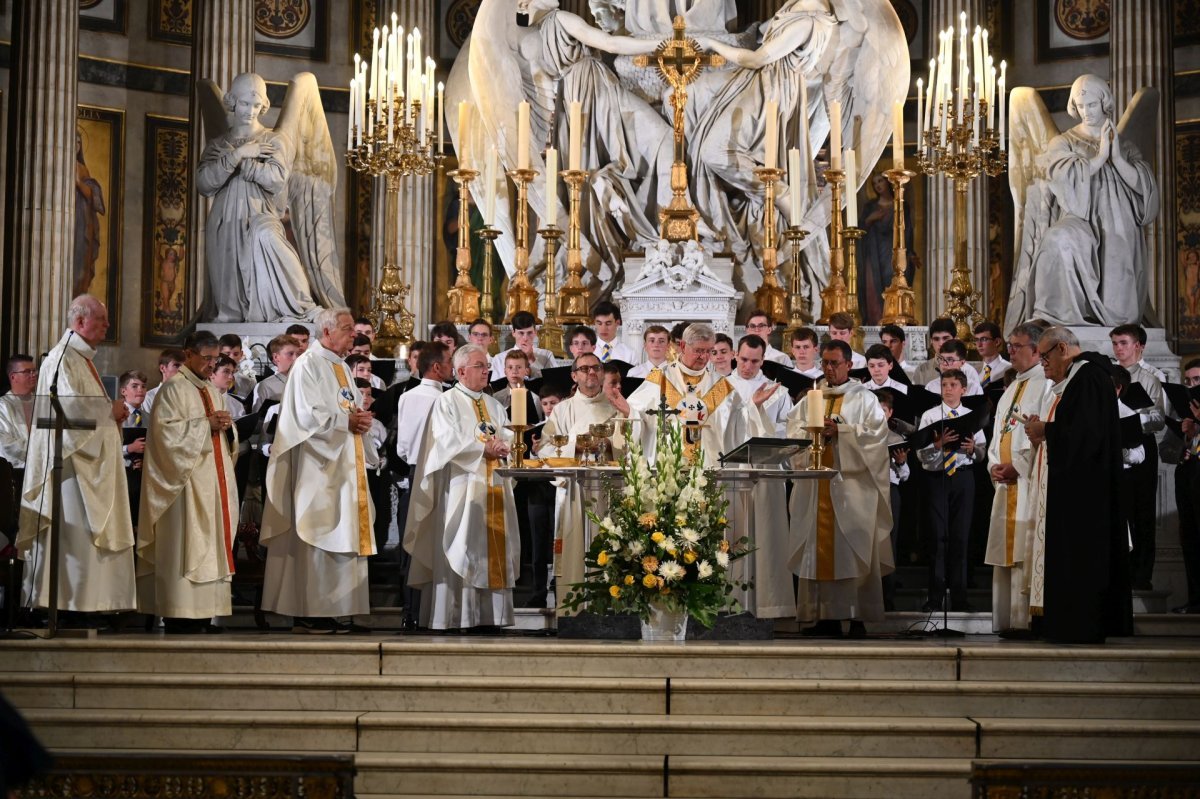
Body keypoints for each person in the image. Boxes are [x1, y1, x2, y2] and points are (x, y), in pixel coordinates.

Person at [1004, 74, 1158, 331]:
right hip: (1079, 219)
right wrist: (1100, 157)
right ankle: (1060, 320)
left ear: (1104, 102)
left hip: (1119, 223)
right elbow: (1062, 185)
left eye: (1092, 105)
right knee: (1056, 240)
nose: (1086, 111)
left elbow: (1146, 191)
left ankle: (1117, 326)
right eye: (1080, 105)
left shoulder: (1126, 145)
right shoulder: (1063, 143)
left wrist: (1117, 157)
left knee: (1119, 247)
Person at [260, 307, 379, 633]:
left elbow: (349, 408)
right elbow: (305, 417)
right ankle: (310, 609)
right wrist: (346, 422)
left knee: (344, 534)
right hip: (317, 470)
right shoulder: (308, 366)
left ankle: (341, 608)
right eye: (346, 328)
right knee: (319, 534)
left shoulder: (340, 366)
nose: (353, 334)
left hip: (343, 467)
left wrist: (361, 420)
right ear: (326, 332)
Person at [19, 295, 136, 616]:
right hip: (71, 469)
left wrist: (110, 415)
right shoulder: (61, 359)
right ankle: (67, 604)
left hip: (87, 465)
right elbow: (63, 412)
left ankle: (88, 603)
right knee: (74, 537)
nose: (108, 326)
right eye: (102, 319)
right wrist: (108, 410)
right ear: (80, 321)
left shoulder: (80, 358)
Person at [1025, 327, 1130, 643]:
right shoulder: (1083, 377)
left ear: (1061, 348)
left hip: (1085, 493)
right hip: (1083, 486)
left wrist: (1047, 430)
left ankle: (1080, 625)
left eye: (1044, 356)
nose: (1043, 363)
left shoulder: (1087, 378)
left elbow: (1086, 435)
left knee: (1081, 558)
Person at [404, 344, 518, 630]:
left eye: (487, 366)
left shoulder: (493, 404)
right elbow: (445, 441)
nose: (487, 371)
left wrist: (506, 445)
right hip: (462, 487)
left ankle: (491, 617)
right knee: (463, 545)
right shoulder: (446, 402)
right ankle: (458, 616)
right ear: (462, 370)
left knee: (491, 547)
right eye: (481, 366)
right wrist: (483, 450)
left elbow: (506, 434)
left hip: (494, 485)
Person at [786, 340, 892, 636]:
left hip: (852, 491)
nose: (829, 369)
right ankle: (823, 617)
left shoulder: (864, 399)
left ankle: (856, 617)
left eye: (835, 363)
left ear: (849, 364)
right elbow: (793, 433)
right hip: (816, 489)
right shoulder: (811, 398)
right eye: (825, 363)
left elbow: (876, 438)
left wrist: (841, 432)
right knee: (817, 550)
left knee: (852, 550)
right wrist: (812, 435)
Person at [136, 331, 237, 633]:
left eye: (214, 359)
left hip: (213, 480)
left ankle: (207, 613)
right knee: (188, 545)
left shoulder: (212, 390)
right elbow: (165, 436)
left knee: (211, 546)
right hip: (184, 485)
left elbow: (223, 435)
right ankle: (181, 613)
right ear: (188, 354)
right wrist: (206, 425)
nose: (210, 365)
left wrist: (227, 428)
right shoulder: (173, 390)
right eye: (205, 358)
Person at [613, 323, 776, 468]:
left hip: (708, 470)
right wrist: (629, 411)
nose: (704, 357)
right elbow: (639, 414)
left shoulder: (720, 385)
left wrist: (754, 406)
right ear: (683, 346)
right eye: (698, 350)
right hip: (668, 469)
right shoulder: (661, 378)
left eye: (708, 351)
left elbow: (738, 425)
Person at [537, 353, 620, 610]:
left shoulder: (617, 406)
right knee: (575, 549)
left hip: (610, 489)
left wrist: (608, 445)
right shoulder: (563, 409)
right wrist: (581, 444)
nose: (591, 373)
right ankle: (573, 609)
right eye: (584, 369)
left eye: (596, 368)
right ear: (574, 376)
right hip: (574, 489)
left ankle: (612, 607)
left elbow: (632, 445)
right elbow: (545, 448)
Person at [984, 322, 1051, 635]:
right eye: (1009, 345)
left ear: (1036, 350)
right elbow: (998, 436)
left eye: (1016, 345)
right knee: (1006, 552)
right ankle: (1008, 620)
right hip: (1006, 484)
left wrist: (1019, 466)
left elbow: (1044, 435)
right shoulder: (1010, 389)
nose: (1009, 350)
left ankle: (1026, 618)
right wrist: (994, 465)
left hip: (1028, 483)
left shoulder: (1046, 385)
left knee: (1025, 549)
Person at [727, 334, 795, 618]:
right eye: (743, 359)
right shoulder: (722, 387)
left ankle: (768, 605)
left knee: (766, 535)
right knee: (731, 535)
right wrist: (751, 410)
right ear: (734, 354)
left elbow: (789, 432)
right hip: (730, 473)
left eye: (755, 361)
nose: (748, 366)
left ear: (763, 360)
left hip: (766, 474)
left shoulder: (778, 391)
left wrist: (757, 411)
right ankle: (727, 604)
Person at [916, 369, 986, 613]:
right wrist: (937, 445)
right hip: (937, 478)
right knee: (937, 537)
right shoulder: (930, 416)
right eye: (945, 384)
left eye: (953, 385)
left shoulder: (971, 416)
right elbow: (921, 455)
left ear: (963, 389)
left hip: (963, 478)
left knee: (960, 537)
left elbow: (981, 453)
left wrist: (971, 449)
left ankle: (959, 596)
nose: (948, 389)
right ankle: (935, 597)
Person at [392, 342, 450, 629]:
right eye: (449, 362)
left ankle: (409, 611)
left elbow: (402, 447)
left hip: (413, 474)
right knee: (436, 544)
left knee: (412, 543)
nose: (452, 367)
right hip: (440, 475)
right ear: (437, 367)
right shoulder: (447, 399)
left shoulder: (407, 396)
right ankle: (434, 609)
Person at [1110, 323, 1165, 591]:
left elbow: (1158, 419)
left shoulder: (1149, 378)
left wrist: (1131, 419)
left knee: (1142, 511)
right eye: (1115, 344)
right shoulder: (1109, 375)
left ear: (1138, 346)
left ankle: (1142, 575)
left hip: (1141, 444)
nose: (1118, 349)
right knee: (1118, 509)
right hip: (1115, 444)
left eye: (1123, 343)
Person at [875, 389, 909, 611]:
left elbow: (905, 476)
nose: (879, 413)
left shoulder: (897, 438)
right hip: (869, 490)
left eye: (883, 410)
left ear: (890, 413)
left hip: (890, 490)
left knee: (889, 542)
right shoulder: (861, 435)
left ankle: (887, 595)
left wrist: (901, 462)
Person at [1172, 359, 1200, 614]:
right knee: (1189, 540)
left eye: (1197, 381)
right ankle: (1195, 600)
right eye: (1188, 382)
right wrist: (1190, 434)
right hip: (1190, 477)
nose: (1192, 387)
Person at [0, 355, 37, 545]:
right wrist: (38, 450)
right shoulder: (3, 406)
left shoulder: (43, 403)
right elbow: (5, 443)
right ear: (13, 376)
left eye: (34, 370)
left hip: (42, 472)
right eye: (27, 371)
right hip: (15, 475)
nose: (33, 374)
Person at [118, 370, 150, 528]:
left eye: (143, 386)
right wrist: (129, 448)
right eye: (135, 386)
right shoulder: (115, 415)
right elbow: (106, 447)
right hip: (121, 474)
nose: (140, 390)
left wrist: (147, 462)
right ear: (123, 391)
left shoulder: (149, 418)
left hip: (142, 476)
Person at [490, 310, 557, 380]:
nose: (525, 338)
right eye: (521, 333)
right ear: (513, 333)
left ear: (535, 332)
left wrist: (532, 359)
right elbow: (495, 388)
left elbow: (553, 383)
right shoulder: (499, 359)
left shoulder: (547, 356)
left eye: (529, 333)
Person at [252, 334, 300, 412]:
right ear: (276, 357)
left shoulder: (305, 380)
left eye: (298, 354)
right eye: (290, 354)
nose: (296, 358)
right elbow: (258, 420)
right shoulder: (265, 386)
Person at [911, 318, 958, 386]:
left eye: (945, 338)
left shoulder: (967, 369)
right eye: (936, 339)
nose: (941, 343)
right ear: (931, 341)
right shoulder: (921, 370)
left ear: (955, 339)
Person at [140, 348, 185, 418]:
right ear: (162, 368)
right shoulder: (149, 398)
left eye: (184, 367)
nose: (182, 370)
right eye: (176, 365)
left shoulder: (189, 396)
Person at [217, 334, 257, 399]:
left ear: (241, 354)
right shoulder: (210, 380)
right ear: (219, 353)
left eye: (236, 354)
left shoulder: (249, 383)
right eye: (227, 354)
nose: (232, 358)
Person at [973, 321, 1011, 389]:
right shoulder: (973, 371)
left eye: (984, 339)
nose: (979, 344)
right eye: (976, 340)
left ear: (997, 342)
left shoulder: (1009, 369)